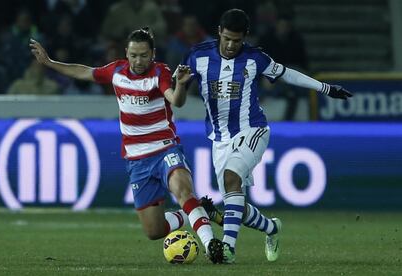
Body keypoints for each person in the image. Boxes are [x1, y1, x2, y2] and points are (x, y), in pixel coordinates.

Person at [29, 27, 224, 263]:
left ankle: (210, 244)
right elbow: (84, 72)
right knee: (154, 231)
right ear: (126, 53)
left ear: (152, 54)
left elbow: (176, 100)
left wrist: (181, 85)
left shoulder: (160, 73)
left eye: (143, 55)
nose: (138, 60)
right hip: (137, 159)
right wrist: (49, 63)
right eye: (133, 55)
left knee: (183, 191)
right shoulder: (116, 71)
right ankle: (198, 210)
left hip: (165, 148)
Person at [181, 9, 352, 263]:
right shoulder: (198, 56)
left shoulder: (255, 59)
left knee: (231, 179)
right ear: (219, 32)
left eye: (236, 40)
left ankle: (227, 250)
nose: (230, 45)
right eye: (226, 38)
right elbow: (178, 91)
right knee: (234, 200)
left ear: (244, 38)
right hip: (219, 140)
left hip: (253, 130)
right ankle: (272, 228)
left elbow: (287, 74)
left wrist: (325, 88)